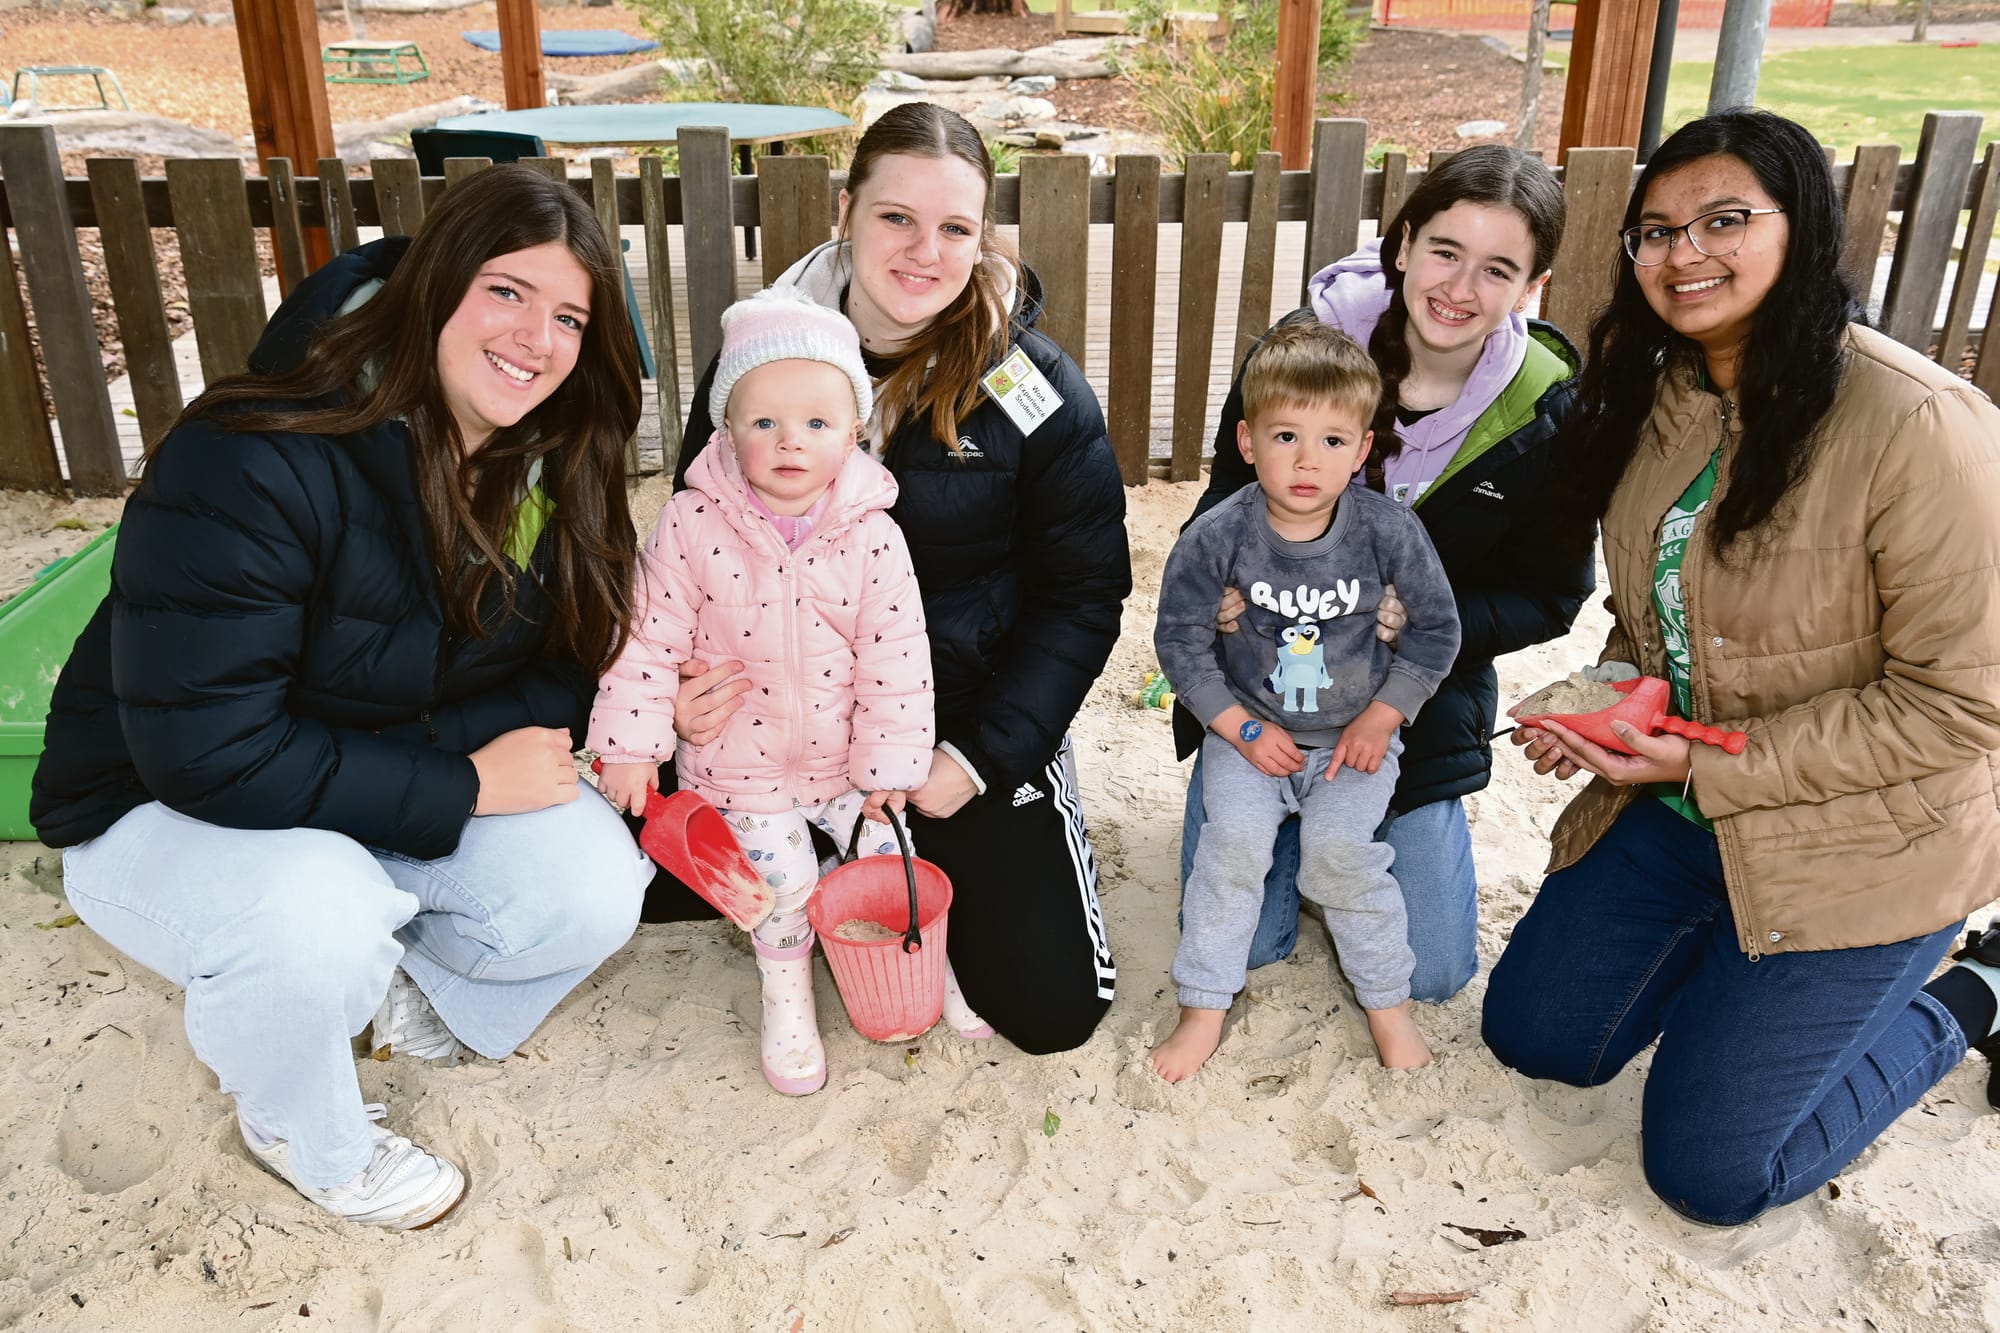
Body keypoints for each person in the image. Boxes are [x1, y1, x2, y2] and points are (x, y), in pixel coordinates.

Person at [29, 165, 653, 1230]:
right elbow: (211, 751)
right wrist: (458, 782)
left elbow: (556, 668)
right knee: (317, 916)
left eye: (567, 316)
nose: (535, 338)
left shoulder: (547, 457)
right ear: (437, 283)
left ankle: (406, 996)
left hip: (358, 772)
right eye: (504, 291)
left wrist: (470, 775)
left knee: (594, 883)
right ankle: (304, 1133)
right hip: (157, 805)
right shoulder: (255, 454)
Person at [1485, 109, 2000, 1227]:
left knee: (1711, 1175)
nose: (1683, 253)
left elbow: (1964, 704)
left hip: (1866, 833)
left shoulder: (1920, 422)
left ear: (1800, 227)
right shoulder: (1663, 394)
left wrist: (1701, 758)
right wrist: (1608, 700)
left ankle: (1972, 992)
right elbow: (1655, 613)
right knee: (1536, 1040)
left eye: (1723, 220)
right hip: (1683, 802)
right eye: (1655, 230)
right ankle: (1743, 985)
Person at [657, 102, 1132, 1055]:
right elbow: (692, 544)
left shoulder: (1030, 388)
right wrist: (681, 690)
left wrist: (985, 756)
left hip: (948, 725)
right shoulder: (755, 361)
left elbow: (1083, 597)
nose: (925, 250)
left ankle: (913, 839)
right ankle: (808, 894)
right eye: (896, 218)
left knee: (1049, 1009)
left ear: (982, 237)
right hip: (778, 720)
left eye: (956, 227)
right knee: (648, 875)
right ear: (844, 212)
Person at [1177, 145, 1591, 1001]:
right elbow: (1219, 498)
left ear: (1531, 287)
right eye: (1444, 251)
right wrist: (1222, 594)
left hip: (1410, 702)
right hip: (1265, 690)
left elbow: (1552, 594)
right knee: (1245, 944)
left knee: (1434, 970)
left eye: (1497, 269)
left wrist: (1414, 629)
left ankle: (1349, 831)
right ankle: (1270, 824)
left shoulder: (1547, 413)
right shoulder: (1298, 355)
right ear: (1402, 244)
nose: (1459, 288)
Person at [593, 285, 946, 1096]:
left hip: (845, 761)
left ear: (853, 430)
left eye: (818, 424)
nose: (792, 442)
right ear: (727, 429)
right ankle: (785, 988)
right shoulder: (690, 523)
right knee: (777, 879)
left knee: (887, 859)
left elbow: (896, 652)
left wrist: (889, 764)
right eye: (765, 423)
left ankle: (919, 966)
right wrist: (630, 744)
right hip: (739, 763)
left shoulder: (873, 532)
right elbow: (646, 637)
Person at [1151, 322, 1461, 1080]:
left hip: (1352, 738)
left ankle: (1388, 1010)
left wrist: (1384, 714)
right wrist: (1240, 725)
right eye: (1285, 434)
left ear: (1362, 452)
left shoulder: (1390, 533)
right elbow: (1180, 642)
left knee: (1341, 858)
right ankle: (1202, 1009)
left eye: (1331, 441)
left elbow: (1438, 631)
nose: (1305, 459)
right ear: (1248, 440)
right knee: (1231, 855)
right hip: (1249, 737)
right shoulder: (1218, 536)